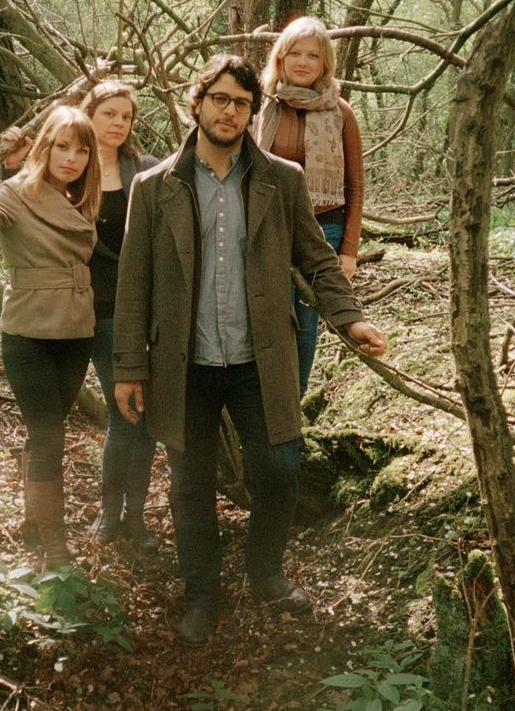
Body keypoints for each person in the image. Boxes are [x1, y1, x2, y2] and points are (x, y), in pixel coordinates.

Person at [112, 55, 386, 647]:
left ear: (251, 111)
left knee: (281, 471)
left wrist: (352, 318)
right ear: (198, 102)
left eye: (240, 102)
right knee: (189, 484)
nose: (229, 111)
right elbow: (132, 285)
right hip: (184, 363)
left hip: (259, 360)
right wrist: (130, 367)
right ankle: (202, 595)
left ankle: (265, 573)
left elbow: (316, 258)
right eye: (219, 99)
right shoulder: (154, 187)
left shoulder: (280, 180)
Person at [0, 104, 101, 568]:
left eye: (82, 150)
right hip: (29, 332)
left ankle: (34, 520)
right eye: (62, 146)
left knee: (46, 431)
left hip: (75, 331)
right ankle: (54, 546)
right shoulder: (15, 192)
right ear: (45, 146)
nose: (71, 158)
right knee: (50, 435)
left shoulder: (80, 198)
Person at [254, 17, 364, 395]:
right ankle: (264, 402)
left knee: (305, 323)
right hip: (268, 228)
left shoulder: (341, 112)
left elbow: (355, 185)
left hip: (323, 230)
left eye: (312, 56)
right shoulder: (262, 108)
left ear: (324, 64)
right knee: (270, 319)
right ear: (280, 59)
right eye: (294, 53)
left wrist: (348, 251)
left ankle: (293, 407)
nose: (302, 62)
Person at [79, 82, 160, 552]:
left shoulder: (145, 170)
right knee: (122, 411)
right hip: (96, 310)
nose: (117, 123)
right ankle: (110, 514)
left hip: (145, 309)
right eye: (108, 113)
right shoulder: (72, 168)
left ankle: (136, 517)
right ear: (89, 115)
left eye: (125, 117)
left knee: (144, 416)